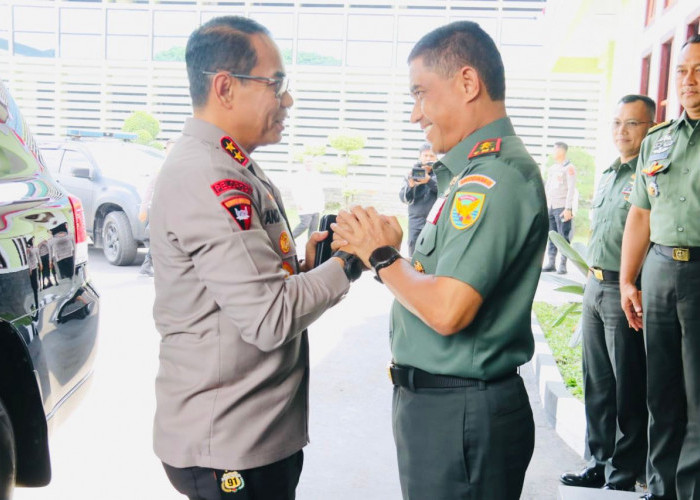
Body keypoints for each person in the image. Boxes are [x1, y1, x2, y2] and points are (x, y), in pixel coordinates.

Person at [332, 21, 548, 499]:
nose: (415, 114)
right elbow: (444, 280)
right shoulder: (469, 174)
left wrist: (383, 257)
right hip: (444, 408)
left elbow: (450, 309)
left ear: (468, 83)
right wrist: (392, 255)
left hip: (461, 411)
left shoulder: (497, 178)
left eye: (421, 94)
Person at [149, 16, 360, 500]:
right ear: (225, 87)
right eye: (276, 83)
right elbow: (269, 318)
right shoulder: (206, 175)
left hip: (253, 434)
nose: (287, 100)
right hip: (228, 445)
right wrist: (351, 262)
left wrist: (308, 269)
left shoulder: (231, 163)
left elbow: (247, 295)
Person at [560, 95, 655, 492]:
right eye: (617, 122)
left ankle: (623, 472)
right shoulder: (607, 174)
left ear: (651, 127)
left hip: (624, 288)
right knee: (597, 381)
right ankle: (598, 461)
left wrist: (632, 286)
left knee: (626, 383)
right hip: (594, 285)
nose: (622, 131)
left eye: (632, 124)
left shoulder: (651, 177)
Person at [620, 35, 700, 500]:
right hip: (661, 271)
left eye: (698, 71)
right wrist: (629, 279)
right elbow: (641, 215)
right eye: (683, 71)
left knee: (698, 399)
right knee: (661, 393)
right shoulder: (659, 139)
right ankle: (660, 489)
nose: (689, 81)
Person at [138, 138, 174, 277]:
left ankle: (150, 266)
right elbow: (149, 188)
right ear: (166, 151)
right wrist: (143, 208)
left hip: (172, 209)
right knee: (161, 238)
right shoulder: (162, 167)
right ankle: (148, 266)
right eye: (170, 149)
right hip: (161, 209)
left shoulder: (177, 166)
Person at [399, 142, 438, 255]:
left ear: (436, 158)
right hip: (416, 220)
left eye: (431, 156)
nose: (428, 158)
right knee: (413, 251)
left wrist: (429, 181)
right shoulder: (412, 173)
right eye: (425, 156)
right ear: (420, 157)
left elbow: (445, 192)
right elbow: (404, 199)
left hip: (435, 221)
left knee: (433, 252)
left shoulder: (441, 174)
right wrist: (411, 185)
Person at [543, 141, 576, 274]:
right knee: (552, 235)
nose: (553, 152)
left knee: (563, 236)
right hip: (551, 206)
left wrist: (568, 208)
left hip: (562, 207)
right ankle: (551, 262)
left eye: (555, 149)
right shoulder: (553, 168)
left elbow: (571, 189)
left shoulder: (569, 168)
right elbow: (548, 187)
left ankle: (563, 264)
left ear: (561, 151)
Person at [290, 156, 324, 240]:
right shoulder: (299, 175)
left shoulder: (317, 174)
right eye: (307, 162)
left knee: (313, 229)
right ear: (304, 163)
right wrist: (298, 203)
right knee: (305, 224)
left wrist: (322, 204)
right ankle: (290, 238)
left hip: (316, 205)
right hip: (304, 204)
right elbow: (295, 190)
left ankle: (311, 246)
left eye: (311, 162)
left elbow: (320, 190)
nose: (309, 164)